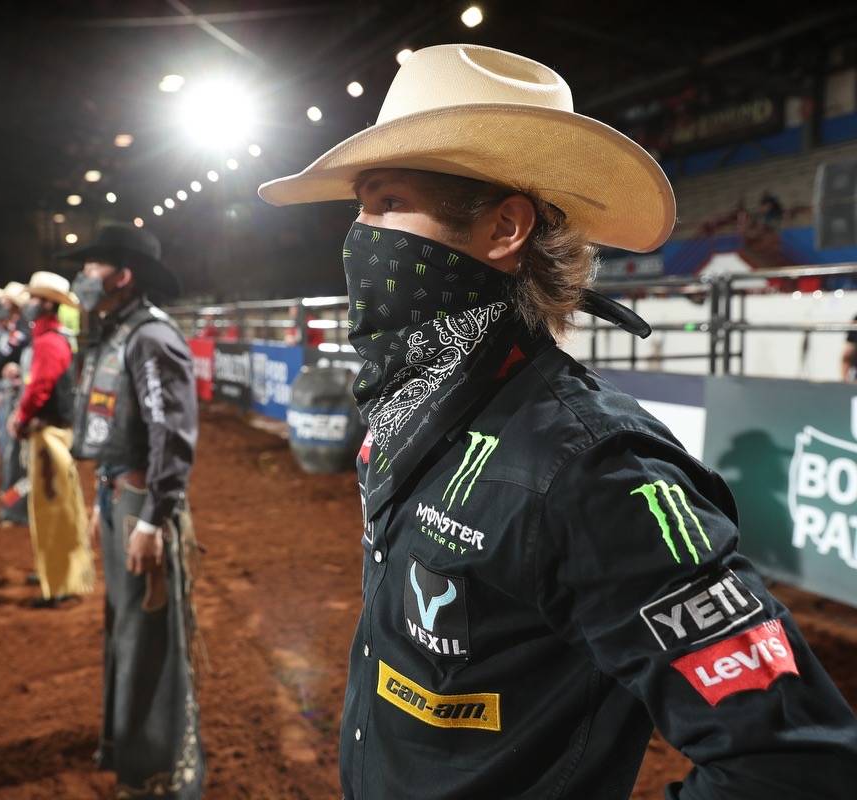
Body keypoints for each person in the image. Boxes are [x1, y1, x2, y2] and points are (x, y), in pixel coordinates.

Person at [258, 44, 857, 799]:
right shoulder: (417, 411)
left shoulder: (591, 468)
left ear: (505, 228)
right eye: (360, 209)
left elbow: (795, 768)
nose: (360, 237)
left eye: (385, 204)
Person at [68, 224, 204, 799]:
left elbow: (169, 435)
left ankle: (156, 770)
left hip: (141, 501)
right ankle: (128, 746)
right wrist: (107, 494)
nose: (83, 277)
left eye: (93, 265)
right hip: (119, 494)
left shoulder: (148, 337)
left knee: (145, 631)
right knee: (126, 627)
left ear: (122, 276)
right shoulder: (120, 332)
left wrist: (151, 516)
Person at [7, 272, 93, 607]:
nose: (27, 304)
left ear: (45, 304)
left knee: (54, 508)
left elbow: (39, 387)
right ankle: (56, 572)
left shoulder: (48, 342)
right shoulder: (53, 339)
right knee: (57, 507)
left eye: (32, 299)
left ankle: (59, 583)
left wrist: (20, 417)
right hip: (54, 431)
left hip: (49, 434)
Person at [0, 281, 32, 526]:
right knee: (12, 456)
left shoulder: (23, 330)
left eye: (5, 301)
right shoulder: (7, 329)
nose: (1, 305)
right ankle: (13, 506)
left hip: (17, 397)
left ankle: (15, 508)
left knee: (15, 456)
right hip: (10, 397)